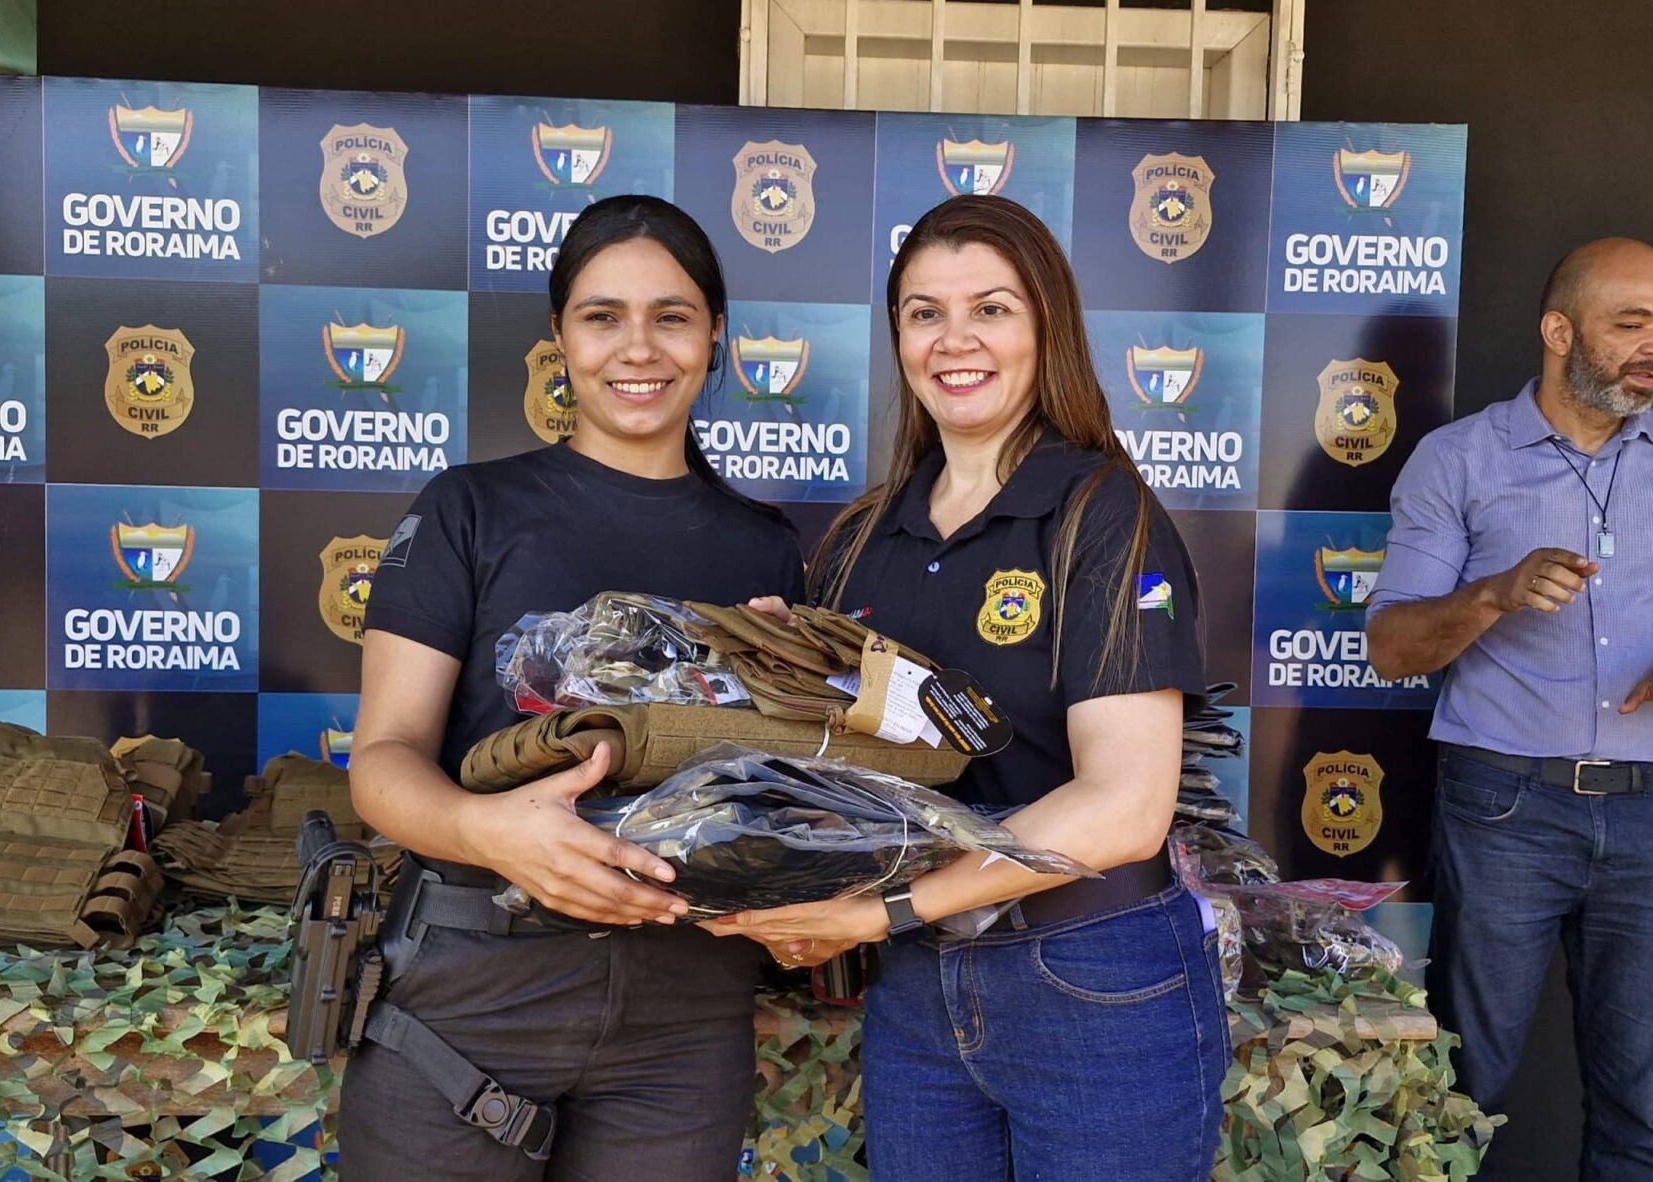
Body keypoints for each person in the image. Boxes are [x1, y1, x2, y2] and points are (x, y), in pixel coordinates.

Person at [703, 194, 1224, 1181]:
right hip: (919, 990)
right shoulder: (861, 537)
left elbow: (1124, 808)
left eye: (991, 308)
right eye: (923, 311)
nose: (955, 340)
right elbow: (853, 772)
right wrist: (772, 673)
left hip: (1091, 973)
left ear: (1045, 329)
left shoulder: (1102, 514)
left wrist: (890, 913)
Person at [339, 195, 805, 1180]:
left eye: (671, 316)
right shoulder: (470, 509)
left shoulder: (768, 550)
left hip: (685, 1009)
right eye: (602, 316)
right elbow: (381, 765)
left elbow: (798, 794)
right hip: (476, 987)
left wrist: (798, 687)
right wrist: (487, 830)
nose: (638, 348)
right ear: (559, 336)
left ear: (715, 334)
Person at [1363, 237, 1653, 1181]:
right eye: (1630, 323)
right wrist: (1492, 596)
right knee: (1463, 1098)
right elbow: (1390, 648)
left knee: (1640, 1114)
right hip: (1505, 810)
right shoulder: (1458, 459)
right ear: (1558, 331)